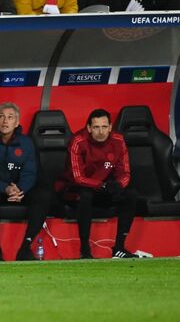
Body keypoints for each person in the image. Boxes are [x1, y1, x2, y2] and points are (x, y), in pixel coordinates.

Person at [0, 102, 53, 261]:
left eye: (10, 117)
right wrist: (4, 188)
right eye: (1, 117)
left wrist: (21, 189)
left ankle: (25, 247)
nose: (5, 121)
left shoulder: (26, 143)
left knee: (43, 194)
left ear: (17, 122)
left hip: (16, 190)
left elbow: (30, 172)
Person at [54, 109, 139, 259]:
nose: (101, 132)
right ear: (89, 128)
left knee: (130, 194)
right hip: (76, 190)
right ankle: (85, 251)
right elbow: (78, 177)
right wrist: (102, 185)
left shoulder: (118, 141)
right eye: (96, 127)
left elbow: (125, 173)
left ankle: (119, 248)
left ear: (110, 127)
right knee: (85, 195)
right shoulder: (78, 141)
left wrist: (118, 185)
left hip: (103, 189)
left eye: (104, 127)